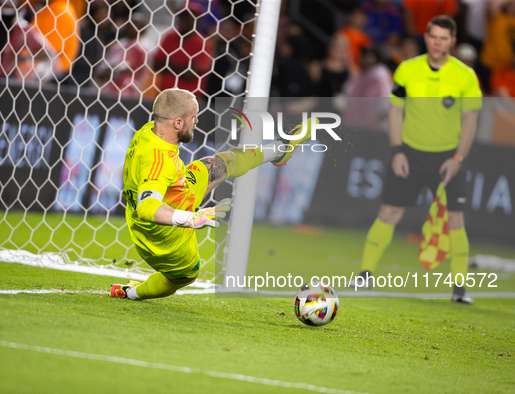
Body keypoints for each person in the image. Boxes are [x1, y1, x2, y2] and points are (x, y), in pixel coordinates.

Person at [110, 88, 311, 300]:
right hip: (163, 236)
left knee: (221, 163)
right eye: (192, 117)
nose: (196, 121)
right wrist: (192, 218)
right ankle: (131, 293)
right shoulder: (159, 162)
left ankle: (279, 150)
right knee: (184, 276)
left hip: (177, 190)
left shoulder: (149, 131)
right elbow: (146, 208)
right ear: (177, 123)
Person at [350, 16, 482, 304]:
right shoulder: (407, 71)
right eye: (433, 36)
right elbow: (395, 112)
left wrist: (458, 158)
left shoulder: (465, 76)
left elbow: (471, 121)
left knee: (455, 221)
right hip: (410, 153)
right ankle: (365, 273)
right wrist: (397, 151)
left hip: (449, 157)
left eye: (443, 38)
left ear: (453, 41)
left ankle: (459, 288)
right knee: (388, 214)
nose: (437, 42)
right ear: (426, 37)